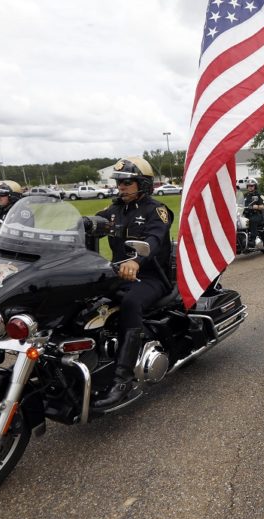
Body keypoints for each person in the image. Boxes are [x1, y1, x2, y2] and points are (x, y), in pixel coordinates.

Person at [91, 157, 173, 408]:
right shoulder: (114, 210)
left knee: (130, 303)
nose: (121, 187)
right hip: (118, 275)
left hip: (150, 276)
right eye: (119, 182)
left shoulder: (156, 210)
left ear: (143, 184)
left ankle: (122, 378)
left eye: (127, 182)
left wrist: (136, 261)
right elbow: (90, 225)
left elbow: (155, 239)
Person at [243, 180, 264, 248]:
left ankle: (253, 240)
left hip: (257, 215)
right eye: (249, 185)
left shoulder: (259, 195)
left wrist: (257, 206)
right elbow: (239, 203)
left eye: (252, 185)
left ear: (255, 186)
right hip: (246, 215)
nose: (250, 187)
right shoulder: (245, 195)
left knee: (252, 221)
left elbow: (263, 206)